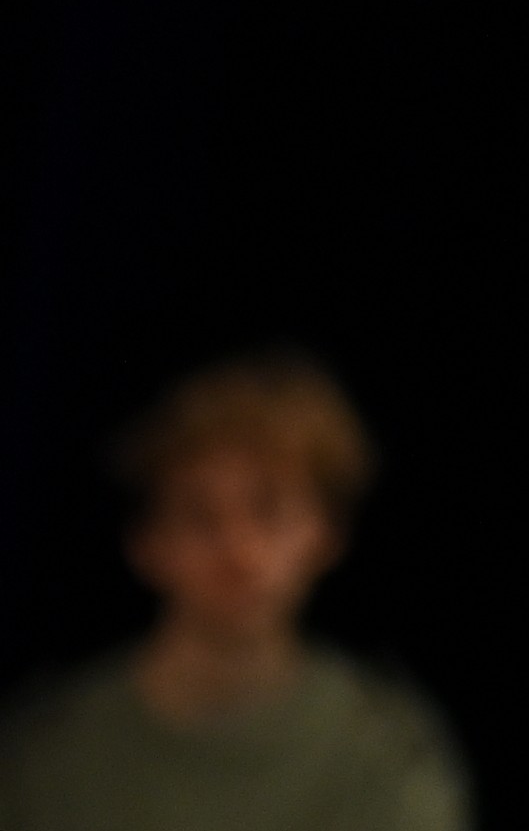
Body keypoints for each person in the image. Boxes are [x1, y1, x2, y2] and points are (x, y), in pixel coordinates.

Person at [0, 353, 467, 831]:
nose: (238, 550)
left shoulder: (385, 751)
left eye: (269, 510)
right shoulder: (48, 751)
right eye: (200, 515)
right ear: (146, 543)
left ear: (325, 533)